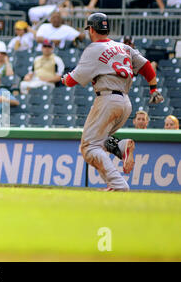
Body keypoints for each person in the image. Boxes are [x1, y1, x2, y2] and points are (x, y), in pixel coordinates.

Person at [61, 13, 164, 191]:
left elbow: (72, 81)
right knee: (100, 142)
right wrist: (153, 89)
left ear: (91, 30)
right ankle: (121, 147)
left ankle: (118, 184)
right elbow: (146, 66)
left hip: (107, 99)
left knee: (89, 147)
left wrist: (64, 79)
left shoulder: (93, 49)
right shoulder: (123, 47)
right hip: (125, 102)